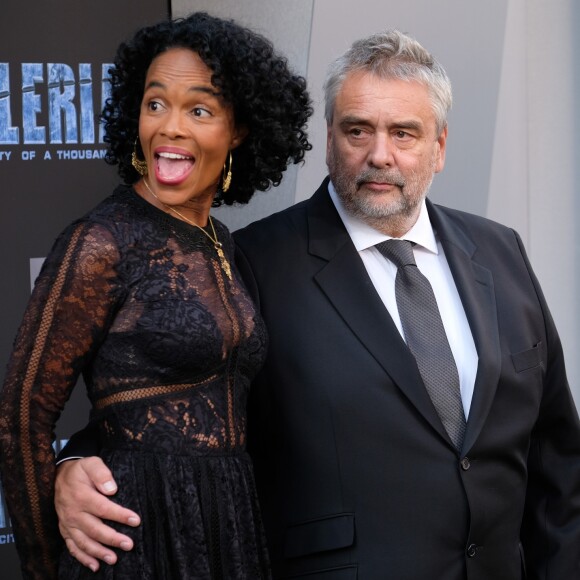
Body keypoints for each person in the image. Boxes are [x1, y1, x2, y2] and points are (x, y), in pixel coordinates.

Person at [53, 29, 580, 579]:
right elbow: (177, 401)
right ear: (329, 137)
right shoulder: (254, 261)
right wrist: (73, 463)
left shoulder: (501, 251)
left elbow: (557, 456)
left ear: (439, 147)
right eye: (358, 130)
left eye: (404, 133)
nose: (380, 155)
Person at [0, 11, 311, 580]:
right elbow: (21, 418)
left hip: (228, 526)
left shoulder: (224, 244)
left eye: (198, 109)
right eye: (154, 103)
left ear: (238, 128)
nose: (169, 126)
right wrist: (45, 563)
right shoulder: (101, 241)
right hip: (134, 538)